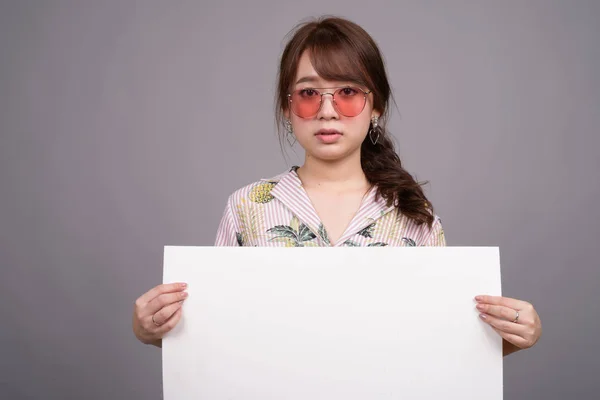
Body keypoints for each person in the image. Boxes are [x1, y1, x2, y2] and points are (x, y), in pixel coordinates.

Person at [132, 16, 541, 356]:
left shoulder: (412, 215)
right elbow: (217, 336)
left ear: (375, 105)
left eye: (347, 92)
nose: (327, 111)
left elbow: (442, 342)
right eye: (309, 93)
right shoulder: (249, 207)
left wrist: (511, 338)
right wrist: (153, 330)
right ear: (288, 107)